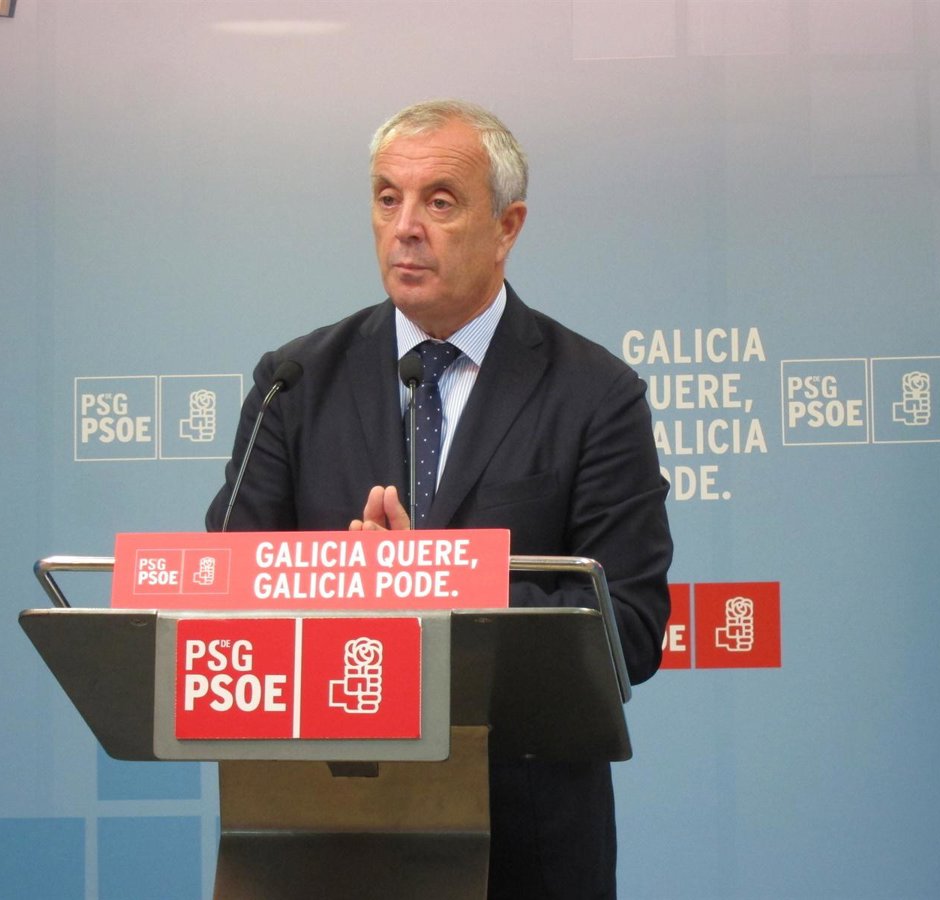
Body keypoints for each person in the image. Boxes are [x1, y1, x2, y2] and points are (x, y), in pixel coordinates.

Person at [207, 99, 673, 899]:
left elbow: (627, 629)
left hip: (525, 847)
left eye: (441, 202)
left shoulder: (594, 394)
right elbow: (226, 591)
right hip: (321, 830)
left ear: (507, 226)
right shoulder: (295, 382)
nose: (405, 228)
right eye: (387, 198)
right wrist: (352, 584)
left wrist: (434, 582)